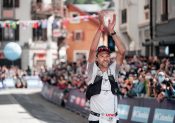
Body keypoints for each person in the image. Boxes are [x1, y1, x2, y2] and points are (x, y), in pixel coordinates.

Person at [86, 11, 126, 123]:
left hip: (114, 119)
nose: (105, 58)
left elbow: (122, 52)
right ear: (97, 58)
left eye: (107, 56)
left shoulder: (113, 70)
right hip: (97, 119)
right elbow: (92, 50)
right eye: (102, 56)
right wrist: (100, 28)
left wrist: (112, 32)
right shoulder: (92, 71)